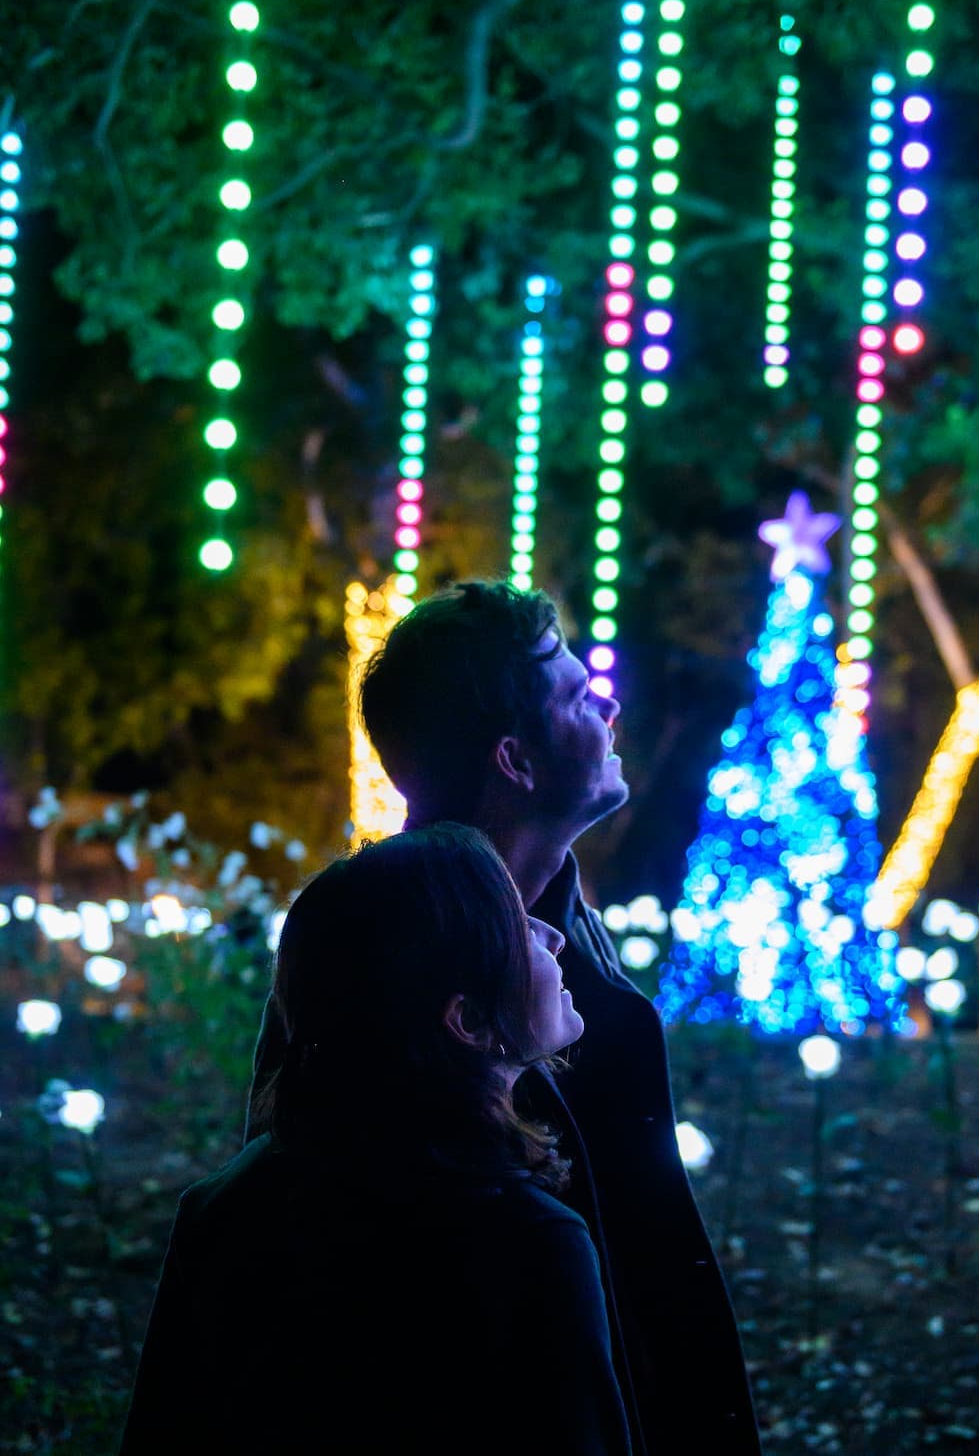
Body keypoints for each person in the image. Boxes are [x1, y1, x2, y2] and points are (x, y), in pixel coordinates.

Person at [247, 581, 761, 1456]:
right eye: (574, 694)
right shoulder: (374, 957)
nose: (608, 705)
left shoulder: (566, 929)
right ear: (516, 761)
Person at [122, 825, 632, 1456]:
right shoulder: (528, 1244)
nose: (551, 935)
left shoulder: (229, 1204)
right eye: (519, 926)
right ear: (467, 1019)